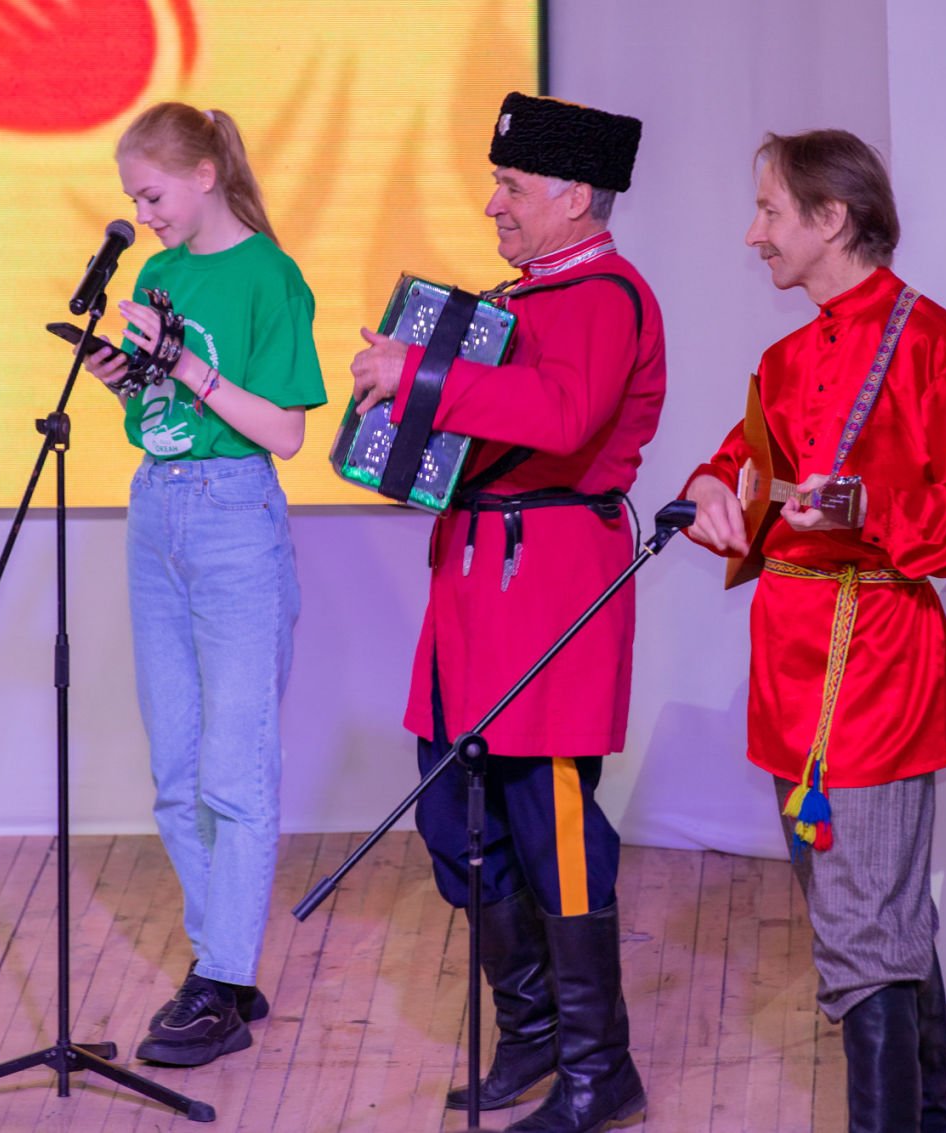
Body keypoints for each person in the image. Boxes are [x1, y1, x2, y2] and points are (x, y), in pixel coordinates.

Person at [682, 130, 946, 1132]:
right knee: (871, 915)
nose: (752, 233)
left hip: (873, 664)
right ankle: (924, 1114)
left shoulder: (931, 344)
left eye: (769, 210)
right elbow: (737, 464)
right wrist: (707, 490)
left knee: (862, 929)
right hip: (786, 676)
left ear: (831, 217)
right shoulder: (784, 358)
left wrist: (871, 508)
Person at [350, 91, 664, 1133]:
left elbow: (564, 417)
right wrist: (392, 416)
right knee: (455, 815)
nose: (494, 204)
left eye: (512, 185)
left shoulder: (609, 295)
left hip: (552, 581)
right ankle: (531, 1032)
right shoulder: (518, 298)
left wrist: (419, 374)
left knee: (552, 825)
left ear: (575, 196)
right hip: (474, 581)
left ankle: (599, 1069)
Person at [79, 101, 326, 1068]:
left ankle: (220, 978)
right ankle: (219, 963)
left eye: (152, 196)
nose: (143, 216)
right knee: (175, 773)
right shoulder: (158, 276)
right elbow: (159, 413)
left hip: (233, 515)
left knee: (234, 768)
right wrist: (125, 378)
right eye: (134, 201)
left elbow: (286, 432)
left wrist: (184, 365)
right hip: (158, 508)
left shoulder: (270, 275)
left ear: (205, 174)